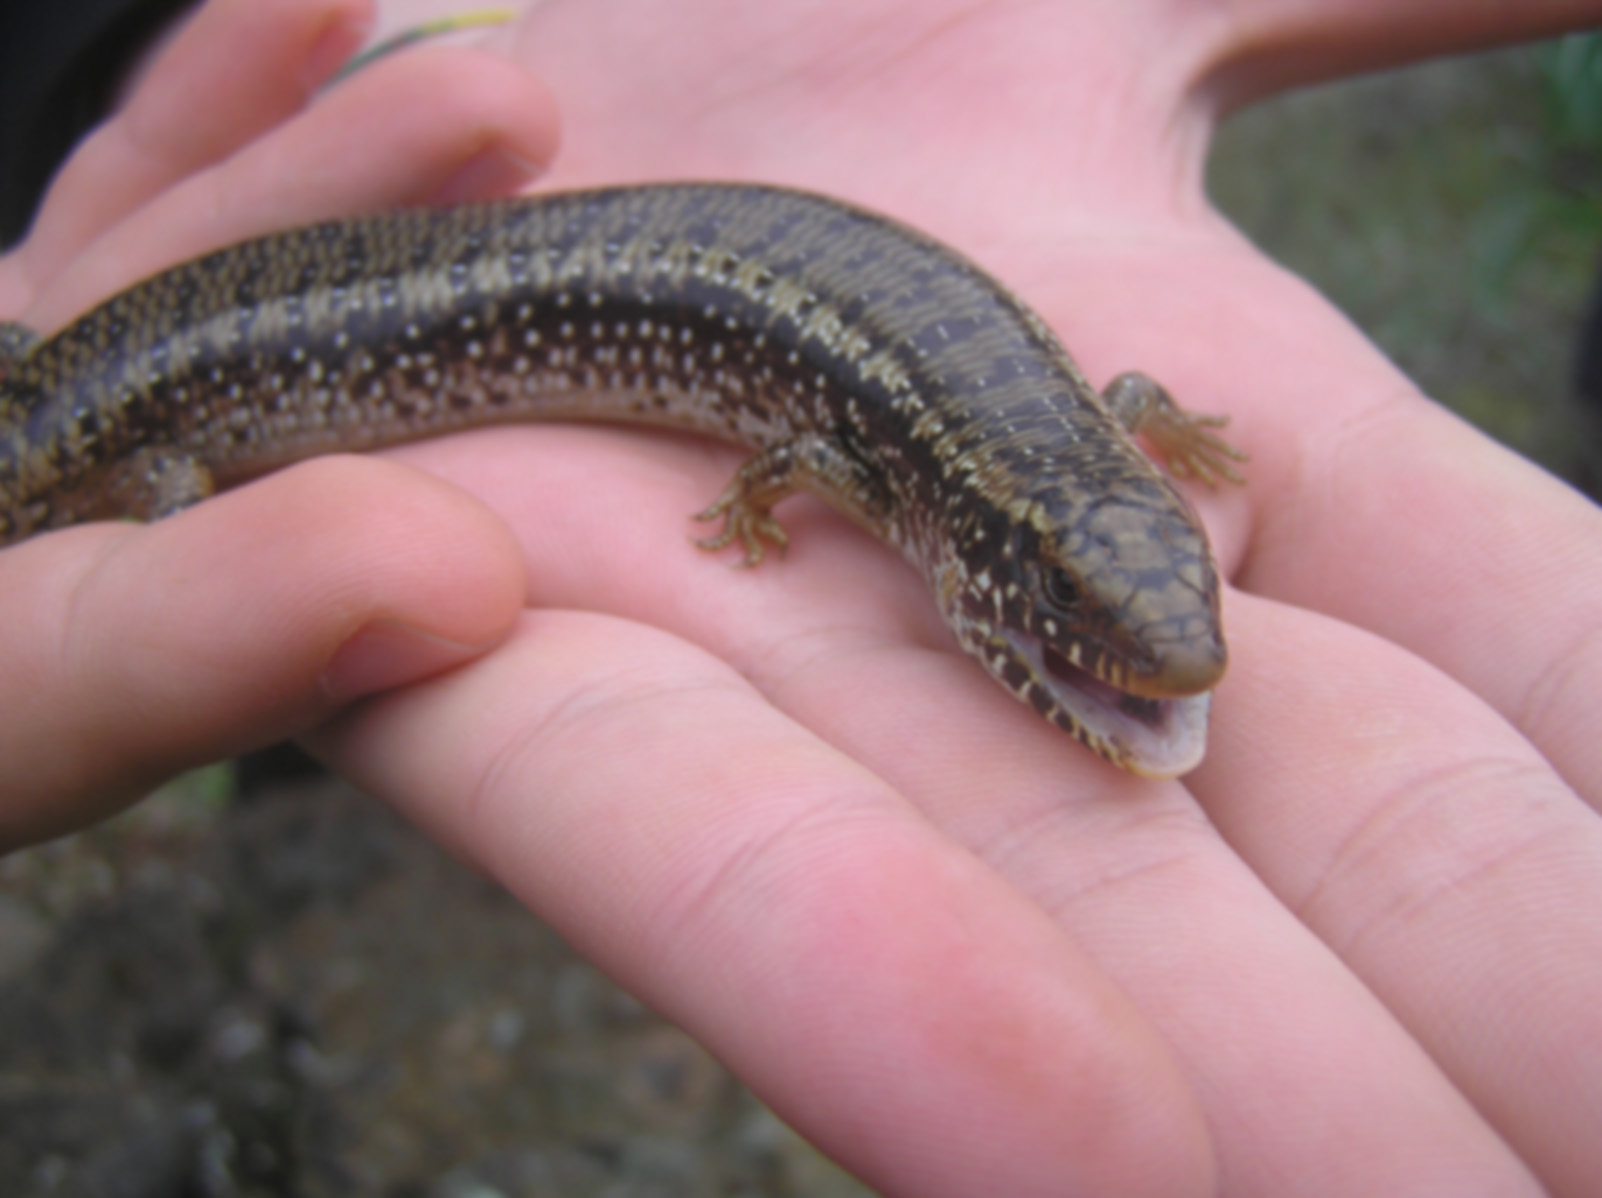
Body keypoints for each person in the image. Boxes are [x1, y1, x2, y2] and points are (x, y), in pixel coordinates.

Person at [3, 1, 1600, 1193]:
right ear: (984, 552)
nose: (1161, 656)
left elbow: (1087, 404)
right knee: (231, 539)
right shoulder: (915, 459)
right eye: (1064, 601)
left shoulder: (1024, 463)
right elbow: (817, 448)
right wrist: (752, 503)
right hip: (176, 400)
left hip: (233, 328)